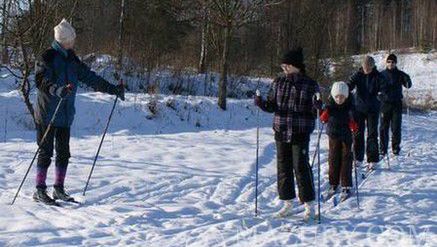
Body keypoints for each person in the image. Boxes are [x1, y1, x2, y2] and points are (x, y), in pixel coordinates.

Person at [33, 19, 125, 205]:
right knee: (45, 152)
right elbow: (41, 81)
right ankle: (39, 190)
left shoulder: (72, 58)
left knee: (64, 153)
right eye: (71, 39)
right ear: (64, 40)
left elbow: (90, 78)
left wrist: (113, 89)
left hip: (65, 114)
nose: (73, 42)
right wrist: (57, 90)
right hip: (48, 113)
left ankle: (58, 189)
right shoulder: (47, 57)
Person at [255, 47, 322, 221]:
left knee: (300, 166)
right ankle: (287, 202)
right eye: (283, 66)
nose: (284, 68)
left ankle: (309, 205)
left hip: (300, 130)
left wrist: (317, 105)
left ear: (296, 65)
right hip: (281, 130)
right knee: (283, 167)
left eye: (287, 65)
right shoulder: (278, 83)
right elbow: (271, 106)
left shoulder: (310, 84)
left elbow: (316, 107)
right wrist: (261, 103)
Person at [320, 82, 358, 202]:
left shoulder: (351, 106)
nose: (339, 99)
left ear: (346, 96)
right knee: (333, 158)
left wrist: (354, 125)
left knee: (346, 159)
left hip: (346, 136)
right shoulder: (330, 106)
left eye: (341, 97)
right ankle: (333, 183)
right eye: (337, 96)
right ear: (333, 96)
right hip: (334, 135)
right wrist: (323, 116)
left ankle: (346, 185)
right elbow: (323, 118)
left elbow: (356, 120)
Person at [347, 56, 386, 171]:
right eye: (365, 67)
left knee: (372, 134)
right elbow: (349, 84)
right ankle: (358, 158)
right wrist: (344, 89)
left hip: (373, 109)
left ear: (373, 66)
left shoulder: (378, 76)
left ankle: (373, 159)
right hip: (358, 109)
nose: (367, 69)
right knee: (358, 133)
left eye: (369, 67)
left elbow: (384, 89)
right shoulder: (357, 75)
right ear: (362, 66)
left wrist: (381, 94)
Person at [379, 54, 412, 156]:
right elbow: (375, 86)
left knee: (396, 127)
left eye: (393, 62)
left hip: (396, 104)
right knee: (384, 128)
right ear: (386, 63)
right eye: (389, 62)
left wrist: (407, 80)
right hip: (384, 104)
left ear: (395, 63)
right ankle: (383, 148)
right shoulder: (381, 74)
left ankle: (396, 148)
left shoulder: (400, 74)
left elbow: (408, 85)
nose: (390, 64)